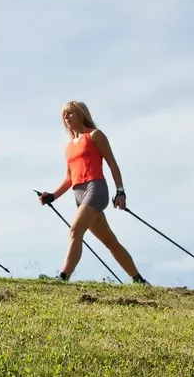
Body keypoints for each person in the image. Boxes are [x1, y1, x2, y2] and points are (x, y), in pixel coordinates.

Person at [37, 101, 149, 284]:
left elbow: (112, 164)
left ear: (82, 115)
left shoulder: (95, 135)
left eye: (70, 113)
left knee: (75, 231)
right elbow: (69, 178)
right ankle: (139, 280)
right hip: (78, 193)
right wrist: (52, 196)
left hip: (95, 189)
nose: (66, 117)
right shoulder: (69, 146)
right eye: (64, 115)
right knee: (110, 241)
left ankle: (62, 278)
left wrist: (120, 192)